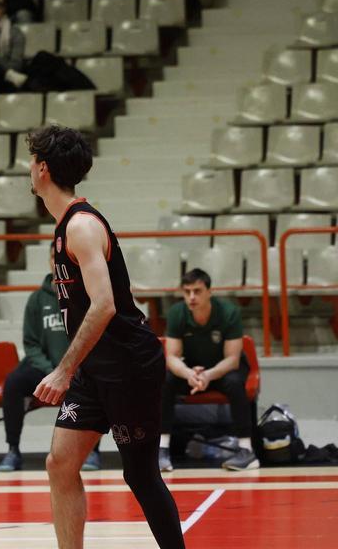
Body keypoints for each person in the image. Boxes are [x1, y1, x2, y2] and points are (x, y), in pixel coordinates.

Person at [27, 125, 183, 549]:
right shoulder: (61, 228)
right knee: (60, 463)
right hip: (95, 367)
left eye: (30, 161)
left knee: (141, 476)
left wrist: (62, 370)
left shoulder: (81, 226)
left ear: (42, 168)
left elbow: (104, 305)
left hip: (130, 366)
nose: (28, 169)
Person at [0, 244, 101, 472]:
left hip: (77, 367)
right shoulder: (36, 299)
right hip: (44, 367)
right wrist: (52, 372)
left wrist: (69, 370)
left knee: (96, 378)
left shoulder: (84, 295)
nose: (57, 262)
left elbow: (92, 337)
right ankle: (12, 450)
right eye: (53, 257)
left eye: (61, 258)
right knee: (14, 383)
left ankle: (93, 451)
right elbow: (31, 344)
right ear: (49, 260)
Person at [160, 268, 257, 471]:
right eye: (187, 292)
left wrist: (208, 375)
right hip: (192, 371)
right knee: (165, 380)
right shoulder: (177, 313)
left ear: (209, 292)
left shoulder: (229, 312)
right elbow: (172, 356)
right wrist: (189, 374)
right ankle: (162, 449)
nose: (192, 297)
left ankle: (246, 451)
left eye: (197, 291)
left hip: (222, 369)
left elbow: (232, 359)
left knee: (234, 382)